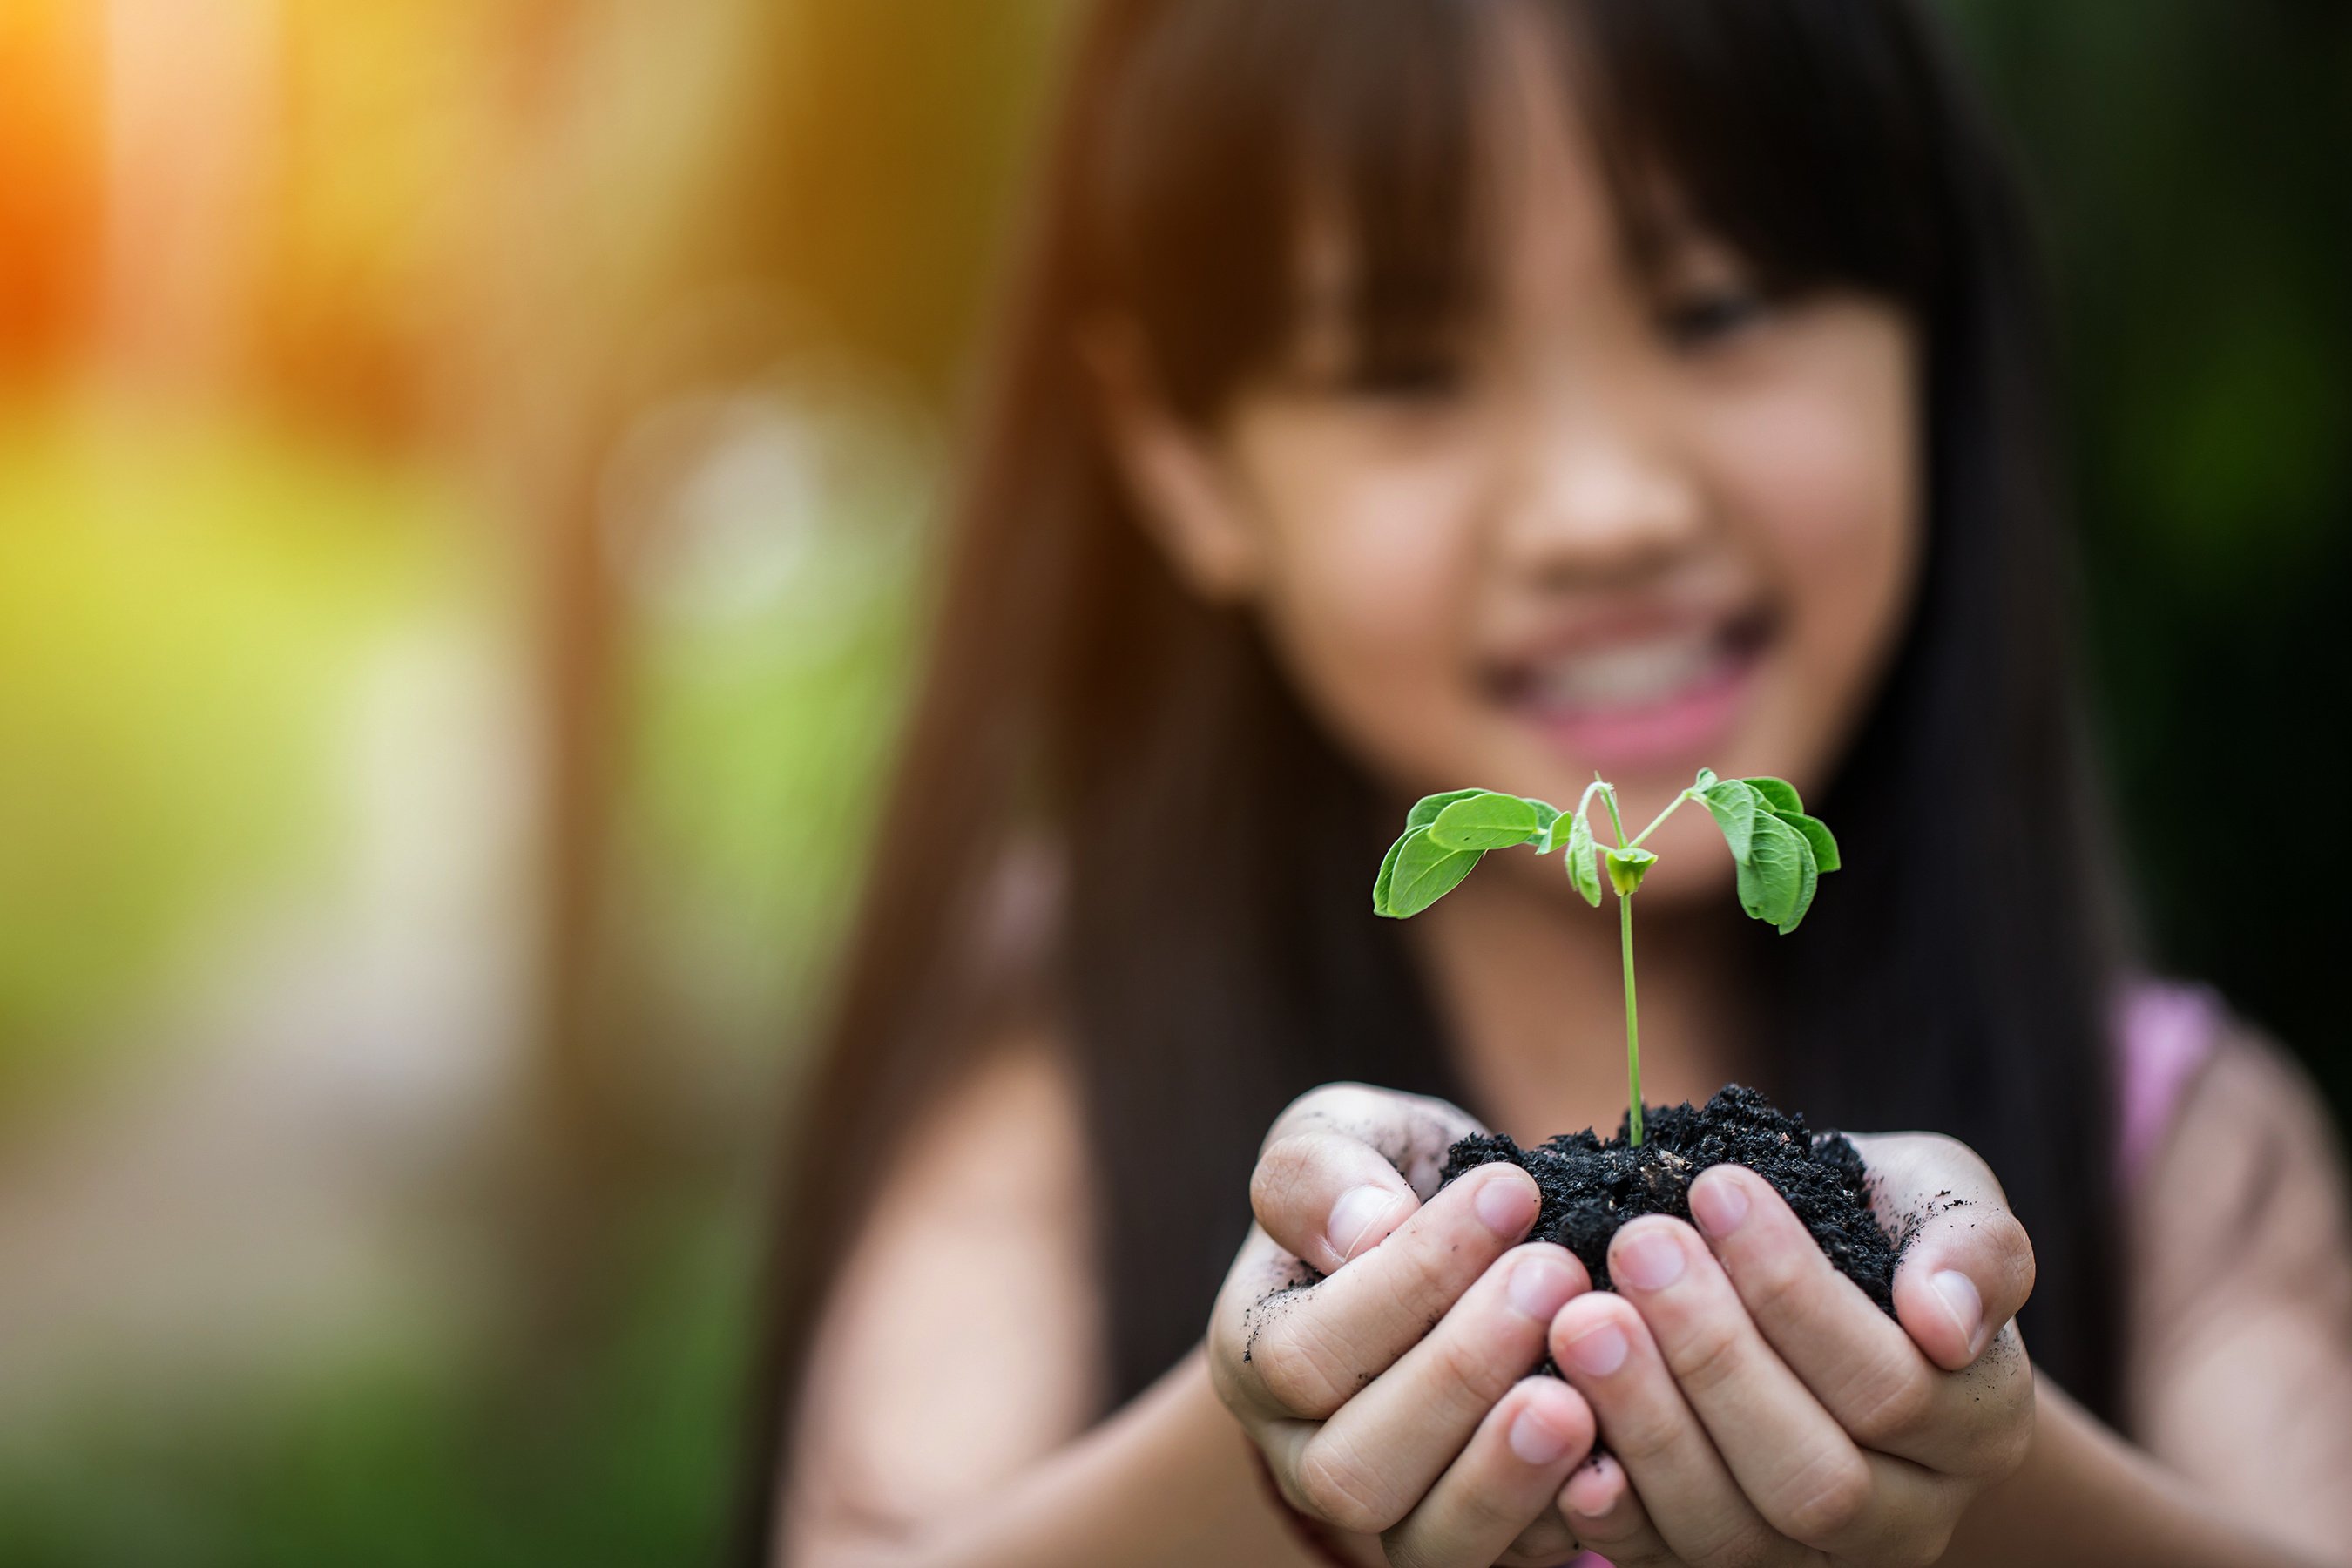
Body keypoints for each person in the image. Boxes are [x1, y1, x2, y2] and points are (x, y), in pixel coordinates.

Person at [750, 2, 2352, 1564]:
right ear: (1181, 459)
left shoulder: (2188, 1166)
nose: (1603, 510)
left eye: (1720, 307)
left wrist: (1967, 1452)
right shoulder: (1038, 1113)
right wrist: (1269, 1442)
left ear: (1932, 338)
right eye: (1403, 369)